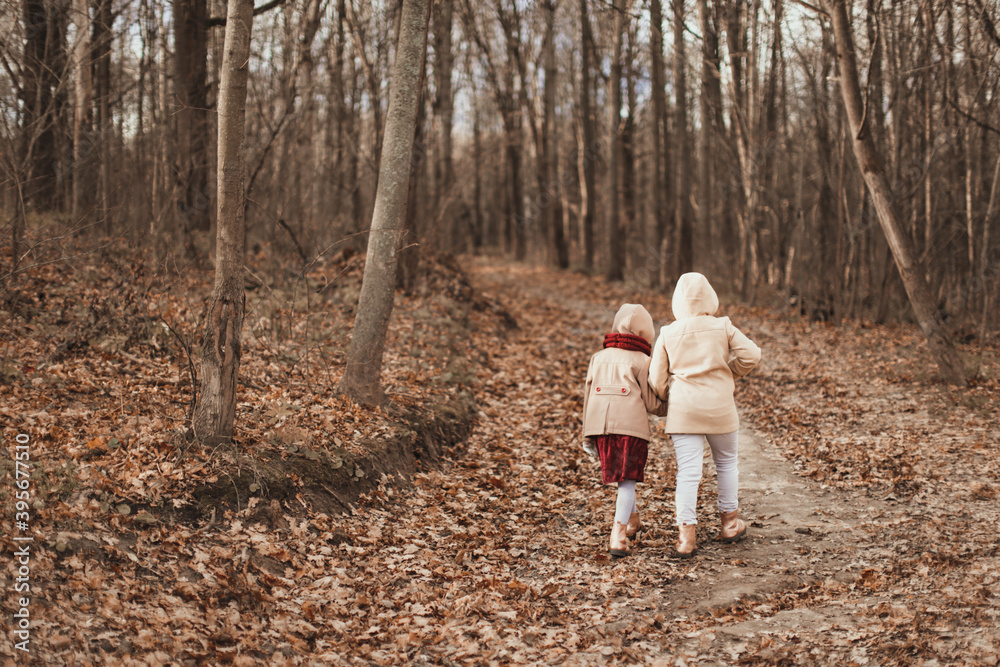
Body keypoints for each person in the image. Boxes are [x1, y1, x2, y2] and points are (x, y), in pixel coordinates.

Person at [648, 273, 761, 559]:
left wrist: (667, 396)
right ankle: (730, 524)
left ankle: (686, 539)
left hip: (684, 410)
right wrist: (729, 373)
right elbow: (752, 355)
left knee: (688, 473)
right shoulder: (723, 325)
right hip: (719, 406)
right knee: (726, 464)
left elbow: (656, 378)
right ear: (710, 296)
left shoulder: (668, 332)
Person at [582, 304, 669, 558]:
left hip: (601, 426)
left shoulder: (598, 358)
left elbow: (588, 398)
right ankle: (617, 536)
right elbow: (653, 404)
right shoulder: (643, 361)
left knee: (622, 477)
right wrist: (670, 403)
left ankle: (632, 521)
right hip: (630, 429)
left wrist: (587, 434)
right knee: (628, 479)